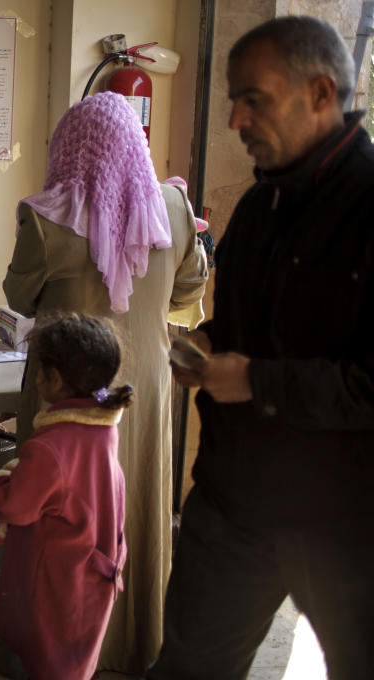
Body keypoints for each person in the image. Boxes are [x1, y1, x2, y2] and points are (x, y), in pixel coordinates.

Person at [147, 16, 374, 680]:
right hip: (233, 506)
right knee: (189, 668)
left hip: (347, 524)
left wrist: (255, 382)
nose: (236, 119)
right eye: (233, 99)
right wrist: (207, 347)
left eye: (255, 98)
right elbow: (240, 326)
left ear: (321, 94)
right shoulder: (255, 206)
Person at [2, 91, 208, 673]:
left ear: (67, 148)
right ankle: (135, 638)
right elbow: (190, 289)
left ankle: (55, 644)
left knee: (56, 508)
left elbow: (19, 297)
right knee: (137, 503)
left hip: (64, 390)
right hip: (141, 386)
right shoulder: (171, 205)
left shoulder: (46, 217)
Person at [0, 314, 132, 680]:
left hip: (59, 572)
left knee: (49, 655)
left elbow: (16, 505)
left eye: (39, 371)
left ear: (55, 379)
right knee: (75, 651)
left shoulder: (51, 446)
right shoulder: (101, 428)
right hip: (96, 560)